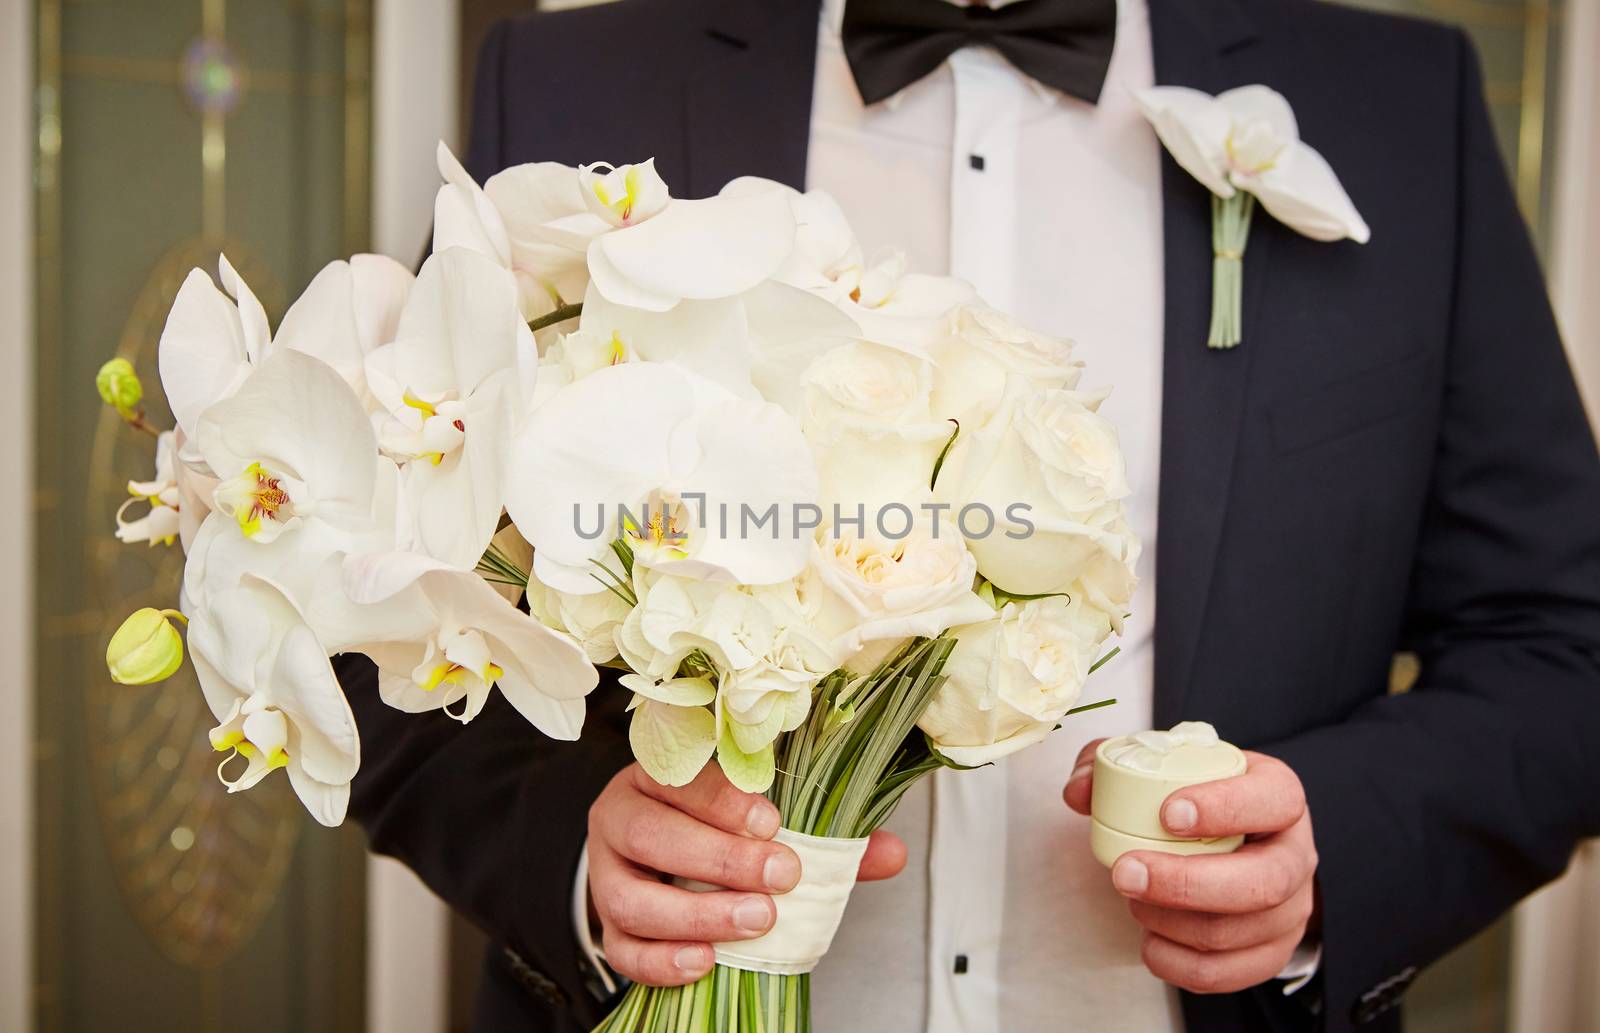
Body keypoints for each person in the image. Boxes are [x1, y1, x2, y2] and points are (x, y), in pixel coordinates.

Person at [337, 1, 1600, 1031]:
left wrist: (1335, 852)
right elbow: (380, 611)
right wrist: (578, 867)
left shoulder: (1396, 103)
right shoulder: (576, 81)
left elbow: (1564, 649)